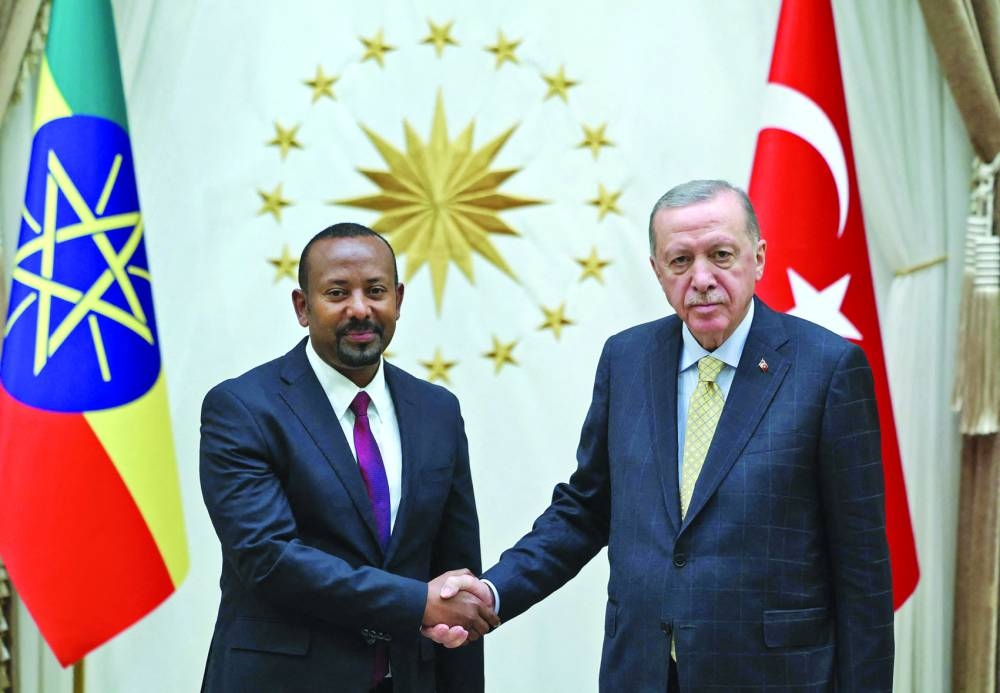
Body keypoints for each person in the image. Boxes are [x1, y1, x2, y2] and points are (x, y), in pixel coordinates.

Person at [425, 180, 894, 691]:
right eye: (680, 261)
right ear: (656, 271)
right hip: (643, 671)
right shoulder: (627, 359)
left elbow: (862, 569)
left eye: (721, 255)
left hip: (773, 675)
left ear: (758, 258)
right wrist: (493, 591)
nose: (702, 279)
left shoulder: (827, 369)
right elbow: (585, 509)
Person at [200, 223, 497, 693]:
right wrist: (414, 603)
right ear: (303, 307)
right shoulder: (242, 408)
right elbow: (268, 558)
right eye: (337, 293)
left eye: (375, 291)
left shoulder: (437, 410)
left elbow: (455, 571)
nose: (360, 309)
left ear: (397, 298)